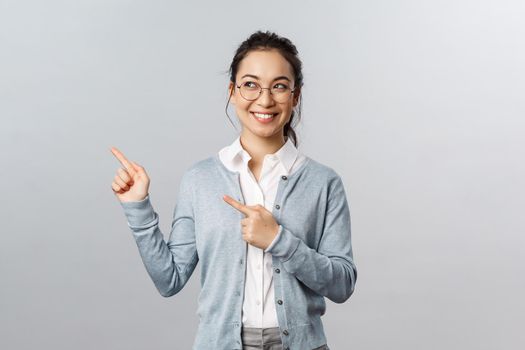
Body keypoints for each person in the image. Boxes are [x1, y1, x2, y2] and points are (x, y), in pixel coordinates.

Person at [110, 30, 357, 350]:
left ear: (295, 96)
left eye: (279, 86)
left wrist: (279, 241)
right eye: (250, 84)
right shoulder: (200, 179)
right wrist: (138, 206)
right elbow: (169, 280)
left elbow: (343, 284)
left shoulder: (323, 182)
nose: (265, 100)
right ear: (233, 91)